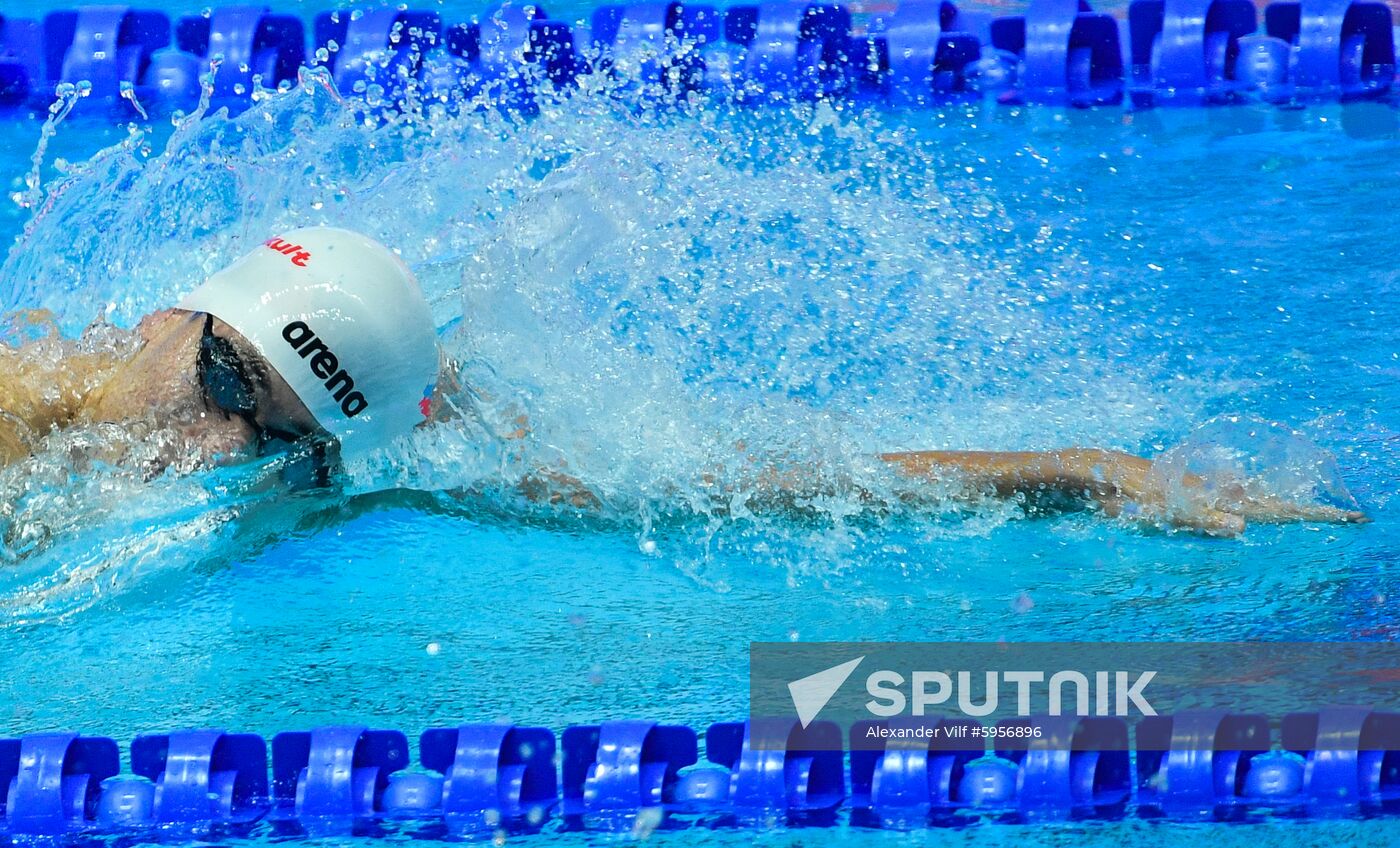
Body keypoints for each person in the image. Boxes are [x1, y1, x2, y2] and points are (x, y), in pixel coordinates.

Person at [0, 227, 1368, 536]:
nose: (207, 441)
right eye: (224, 376)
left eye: (272, 438)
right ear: (178, 315)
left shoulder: (381, 445)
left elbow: (708, 482)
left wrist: (1078, 469)